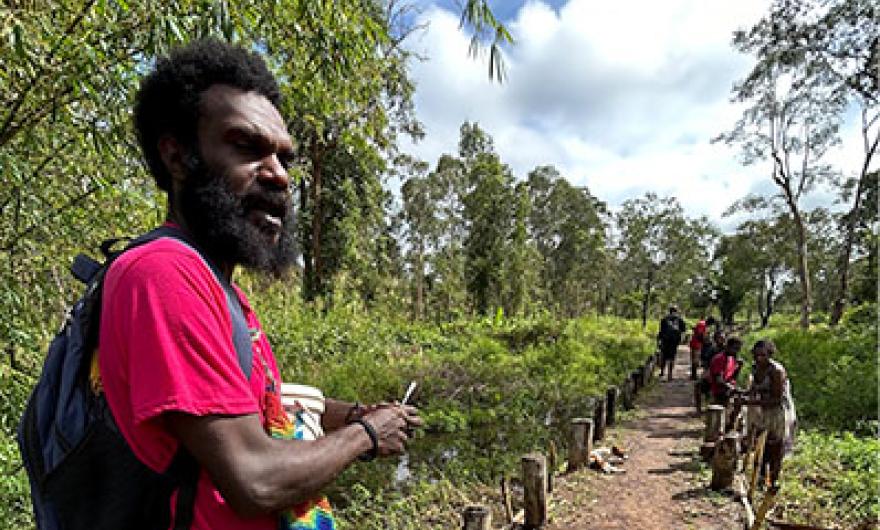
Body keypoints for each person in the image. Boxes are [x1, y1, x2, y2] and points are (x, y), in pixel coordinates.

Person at [98, 38, 421, 530]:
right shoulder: (164, 275)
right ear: (178, 156)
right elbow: (254, 480)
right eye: (247, 148)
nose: (278, 176)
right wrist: (366, 434)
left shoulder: (217, 285)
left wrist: (349, 412)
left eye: (284, 159)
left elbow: (250, 405)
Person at [737, 340, 796, 490]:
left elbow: (776, 399)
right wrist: (742, 395)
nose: (759, 358)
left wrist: (749, 403)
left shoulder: (776, 371)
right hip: (763, 410)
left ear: (770, 355)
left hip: (777, 413)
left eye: (762, 355)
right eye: (756, 355)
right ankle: (760, 479)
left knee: (775, 448)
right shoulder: (756, 368)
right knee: (761, 446)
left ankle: (773, 482)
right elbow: (755, 390)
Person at [694, 330, 725, 413]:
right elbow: (706, 364)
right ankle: (699, 409)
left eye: (722, 338)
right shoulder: (711, 349)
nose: (721, 340)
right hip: (712, 373)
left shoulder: (727, 350)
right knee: (698, 386)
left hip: (723, 375)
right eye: (720, 338)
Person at [707, 336, 743, 406]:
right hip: (719, 391)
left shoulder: (732, 358)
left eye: (738, 349)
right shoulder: (720, 359)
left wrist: (738, 368)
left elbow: (733, 378)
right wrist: (732, 388)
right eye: (735, 348)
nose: (737, 351)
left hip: (727, 389)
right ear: (728, 347)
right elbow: (719, 381)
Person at [657, 305, 686, 381]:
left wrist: (659, 340)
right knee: (671, 357)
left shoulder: (664, 319)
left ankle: (663, 372)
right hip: (674, 341)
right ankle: (669, 374)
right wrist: (681, 340)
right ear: (676, 311)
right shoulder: (679, 319)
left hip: (666, 340)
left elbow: (661, 331)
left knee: (664, 356)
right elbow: (683, 331)